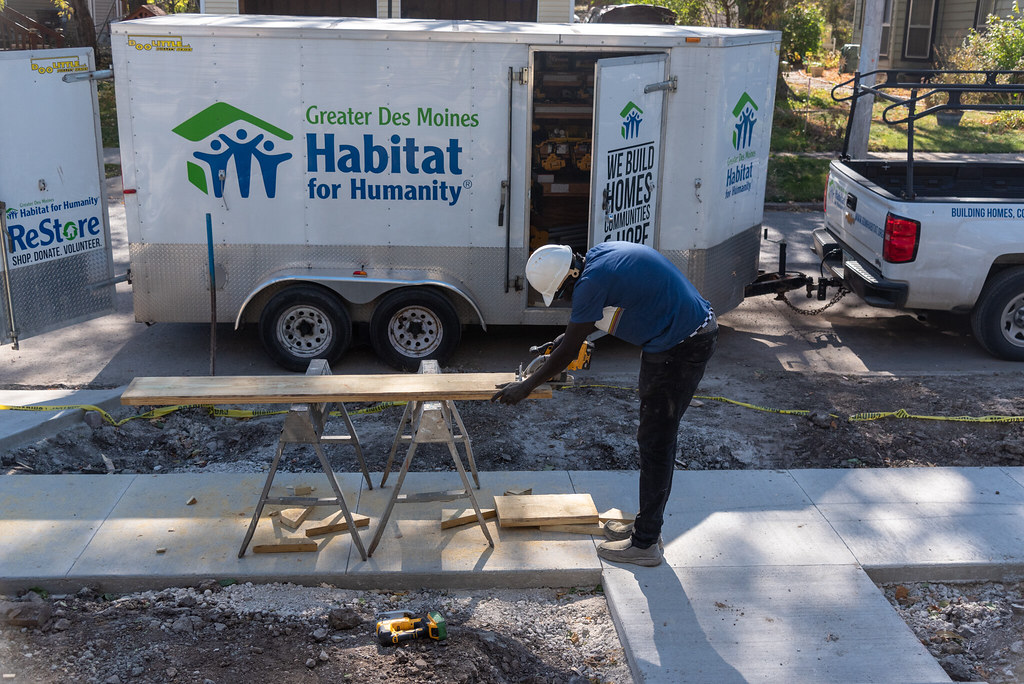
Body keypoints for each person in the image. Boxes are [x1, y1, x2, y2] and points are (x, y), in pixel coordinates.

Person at [491, 241, 717, 567]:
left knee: (656, 442)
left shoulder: (589, 284)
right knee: (655, 440)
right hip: (691, 331)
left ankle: (645, 544)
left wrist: (525, 387)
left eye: (564, 293)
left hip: (680, 347)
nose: (568, 299)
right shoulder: (599, 258)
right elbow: (620, 303)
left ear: (569, 276)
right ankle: (646, 528)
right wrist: (565, 338)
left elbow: (569, 353)